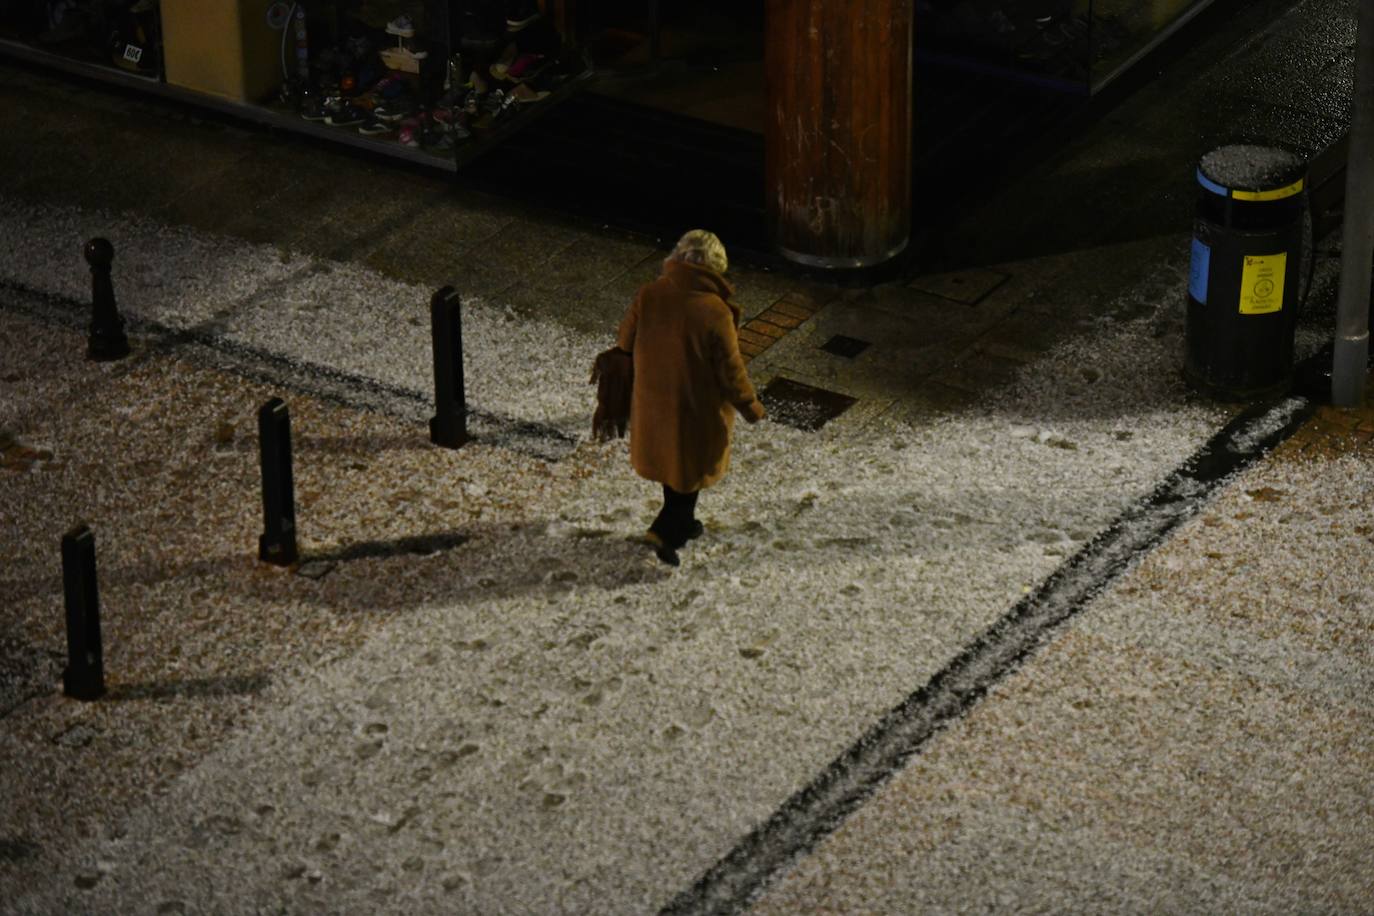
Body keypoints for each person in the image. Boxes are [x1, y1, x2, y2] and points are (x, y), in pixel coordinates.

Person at [615, 229, 765, 566]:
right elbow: (731, 369)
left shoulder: (650, 293)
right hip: (695, 407)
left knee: (673, 467)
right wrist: (750, 405)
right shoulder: (713, 310)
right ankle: (667, 531)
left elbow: (625, 339)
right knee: (690, 471)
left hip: (653, 399)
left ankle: (684, 522)